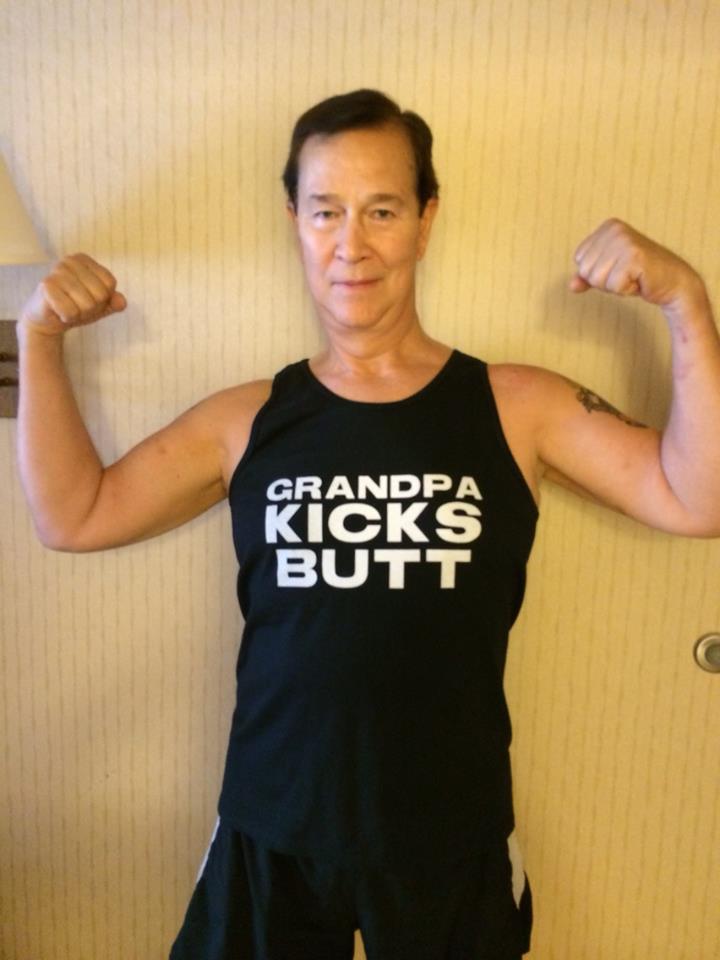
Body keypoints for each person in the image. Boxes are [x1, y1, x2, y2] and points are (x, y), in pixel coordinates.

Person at [16, 89, 720, 960]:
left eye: (382, 210)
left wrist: (686, 302)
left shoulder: (516, 404)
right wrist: (38, 339)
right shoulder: (246, 420)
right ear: (296, 223)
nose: (352, 244)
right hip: (271, 828)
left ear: (425, 220)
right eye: (327, 211)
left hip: (450, 837)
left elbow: (698, 498)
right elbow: (74, 514)